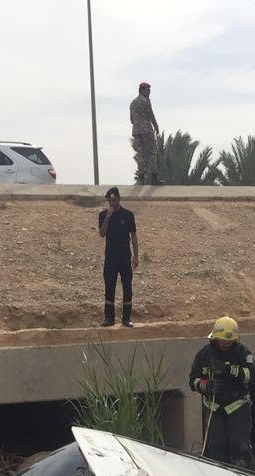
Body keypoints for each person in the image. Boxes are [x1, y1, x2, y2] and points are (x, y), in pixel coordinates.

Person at [189, 316, 255, 467]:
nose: (226, 344)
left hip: (238, 405)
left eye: (229, 341)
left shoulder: (243, 353)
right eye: (222, 341)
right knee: (216, 448)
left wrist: (232, 370)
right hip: (214, 407)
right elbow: (193, 381)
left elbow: (252, 376)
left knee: (240, 447)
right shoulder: (204, 354)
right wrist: (206, 386)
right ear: (214, 338)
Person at [97, 186, 137, 327]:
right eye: (110, 200)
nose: (112, 203)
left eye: (114, 200)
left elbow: (133, 236)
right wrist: (108, 217)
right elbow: (102, 234)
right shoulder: (103, 215)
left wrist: (136, 256)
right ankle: (109, 318)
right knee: (109, 286)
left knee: (127, 287)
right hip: (110, 256)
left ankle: (126, 318)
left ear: (119, 199)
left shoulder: (128, 215)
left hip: (125, 255)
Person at [129, 81, 161, 185]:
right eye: (148, 90)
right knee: (152, 152)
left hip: (137, 131)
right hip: (146, 130)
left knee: (141, 154)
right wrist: (156, 126)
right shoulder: (145, 101)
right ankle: (154, 177)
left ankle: (141, 178)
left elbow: (131, 120)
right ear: (143, 90)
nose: (149, 92)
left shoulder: (133, 103)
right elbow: (151, 115)